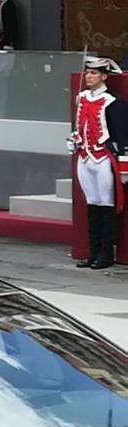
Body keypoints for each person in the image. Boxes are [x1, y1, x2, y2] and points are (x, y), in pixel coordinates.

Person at [71, 57, 128, 269]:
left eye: (94, 73)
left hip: (104, 158)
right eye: (88, 72)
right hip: (84, 157)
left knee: (106, 205)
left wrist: (124, 167)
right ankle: (92, 251)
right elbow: (78, 126)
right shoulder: (82, 97)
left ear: (104, 76)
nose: (89, 76)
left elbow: (123, 136)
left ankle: (106, 253)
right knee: (92, 205)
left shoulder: (114, 102)